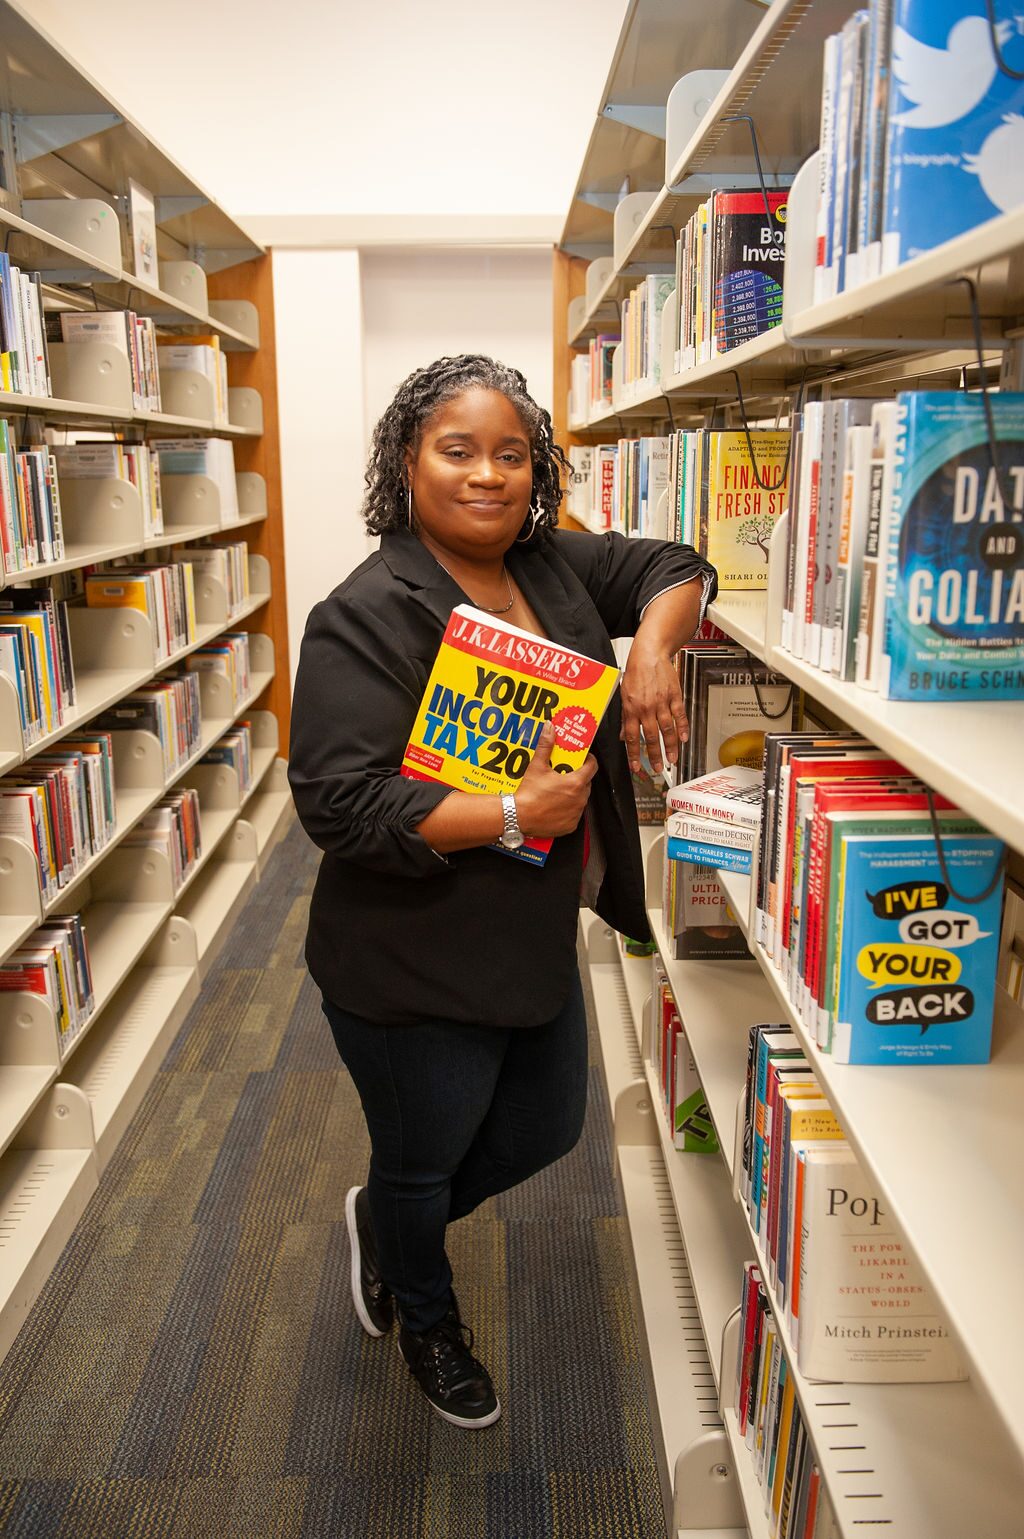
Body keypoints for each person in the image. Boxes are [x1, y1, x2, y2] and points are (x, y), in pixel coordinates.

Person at [288, 355, 716, 1430]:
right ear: (406, 462)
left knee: (541, 1132)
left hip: (529, 928)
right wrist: (517, 815)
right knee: (422, 1157)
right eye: (458, 450)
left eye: (511, 455)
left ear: (537, 471)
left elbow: (673, 561)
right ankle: (425, 1316)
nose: (488, 475)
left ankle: (386, 1225)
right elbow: (338, 807)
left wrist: (655, 654)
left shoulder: (552, 568)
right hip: (409, 948)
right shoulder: (362, 612)